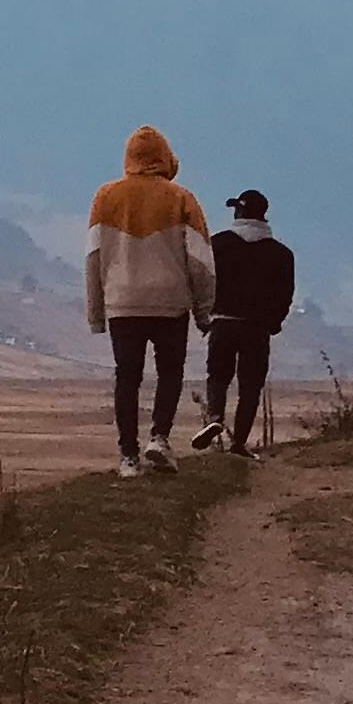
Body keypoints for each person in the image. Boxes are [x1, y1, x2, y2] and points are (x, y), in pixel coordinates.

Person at [85, 123, 215, 475]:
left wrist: (96, 312)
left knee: (127, 376)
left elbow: (94, 258)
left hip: (122, 303)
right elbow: (201, 261)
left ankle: (128, 456)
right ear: (165, 159)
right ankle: (159, 437)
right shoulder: (182, 198)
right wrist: (205, 311)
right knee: (169, 372)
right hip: (171, 304)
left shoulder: (105, 197)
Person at [193, 187, 296, 455]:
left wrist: (204, 315)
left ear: (238, 211)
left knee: (218, 375)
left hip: (223, 322)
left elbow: (205, 282)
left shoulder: (219, 244)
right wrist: (274, 322)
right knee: (250, 385)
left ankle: (215, 419)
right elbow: (285, 294)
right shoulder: (281, 254)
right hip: (257, 328)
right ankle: (239, 443)